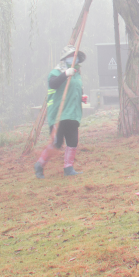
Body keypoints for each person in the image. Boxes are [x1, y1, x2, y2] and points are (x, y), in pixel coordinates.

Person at [33, 46, 87, 178]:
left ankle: (68, 168)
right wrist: (65, 74)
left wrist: (81, 97)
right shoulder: (56, 72)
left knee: (73, 140)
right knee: (57, 142)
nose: (75, 59)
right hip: (59, 113)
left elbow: (75, 91)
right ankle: (39, 165)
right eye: (72, 56)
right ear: (66, 58)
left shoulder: (77, 74)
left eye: (76, 56)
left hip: (73, 113)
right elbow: (53, 84)